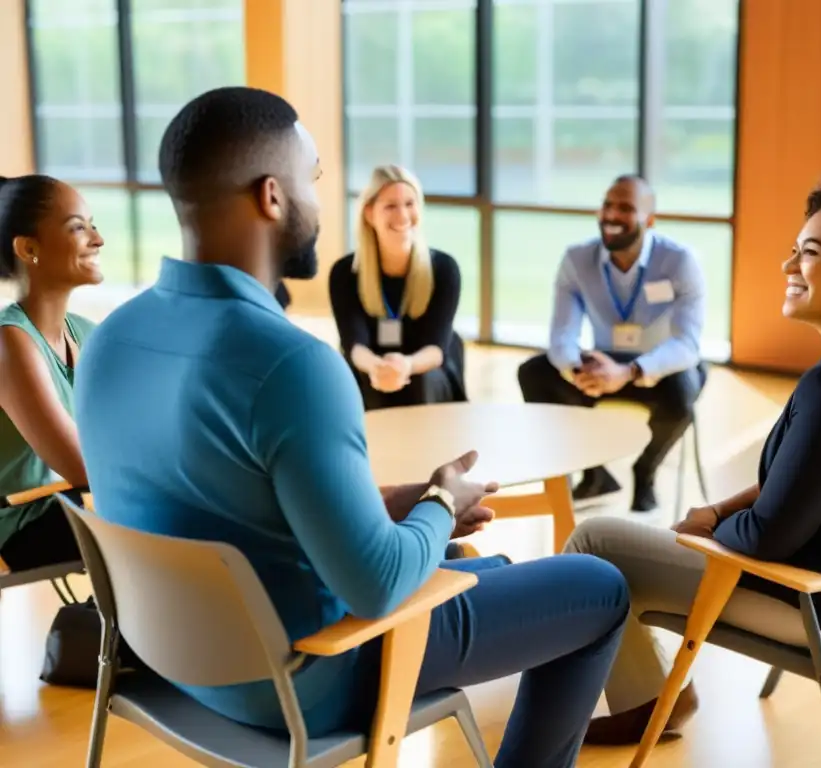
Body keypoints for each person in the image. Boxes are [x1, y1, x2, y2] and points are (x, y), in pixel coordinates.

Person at [74, 86, 629, 768]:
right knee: (598, 585)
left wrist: (382, 502)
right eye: (312, 178)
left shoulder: (110, 341)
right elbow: (378, 585)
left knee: (497, 569)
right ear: (272, 197)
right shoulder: (290, 365)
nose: (320, 198)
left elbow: (209, 498)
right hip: (310, 678)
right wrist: (438, 503)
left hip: (173, 665)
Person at [563, 164, 821, 745]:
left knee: (596, 545)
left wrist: (703, 534)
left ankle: (645, 703)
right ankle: (651, 695)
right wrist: (717, 510)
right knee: (641, 549)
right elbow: (809, 482)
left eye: (808, 252)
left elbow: (767, 538)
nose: (787, 267)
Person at [518, 174, 707, 512]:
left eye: (626, 208)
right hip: (599, 366)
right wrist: (579, 369)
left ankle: (645, 470)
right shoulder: (577, 259)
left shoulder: (679, 261)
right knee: (532, 373)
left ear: (649, 220)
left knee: (684, 390)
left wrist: (630, 370)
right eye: (607, 205)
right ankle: (595, 473)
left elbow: (687, 344)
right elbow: (562, 336)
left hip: (657, 367)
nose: (612, 215)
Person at [0, 174, 102, 571]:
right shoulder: (11, 343)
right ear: (28, 248)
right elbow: (84, 467)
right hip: (16, 521)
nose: (97, 240)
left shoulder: (87, 333)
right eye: (79, 227)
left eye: (94, 226)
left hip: (64, 502)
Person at [329, 164, 466, 410]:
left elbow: (436, 349)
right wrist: (378, 368)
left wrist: (405, 366)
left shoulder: (444, 269)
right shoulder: (345, 272)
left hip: (426, 373)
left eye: (410, 204)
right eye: (390, 206)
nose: (402, 216)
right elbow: (354, 344)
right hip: (370, 370)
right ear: (369, 214)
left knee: (417, 382)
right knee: (373, 384)